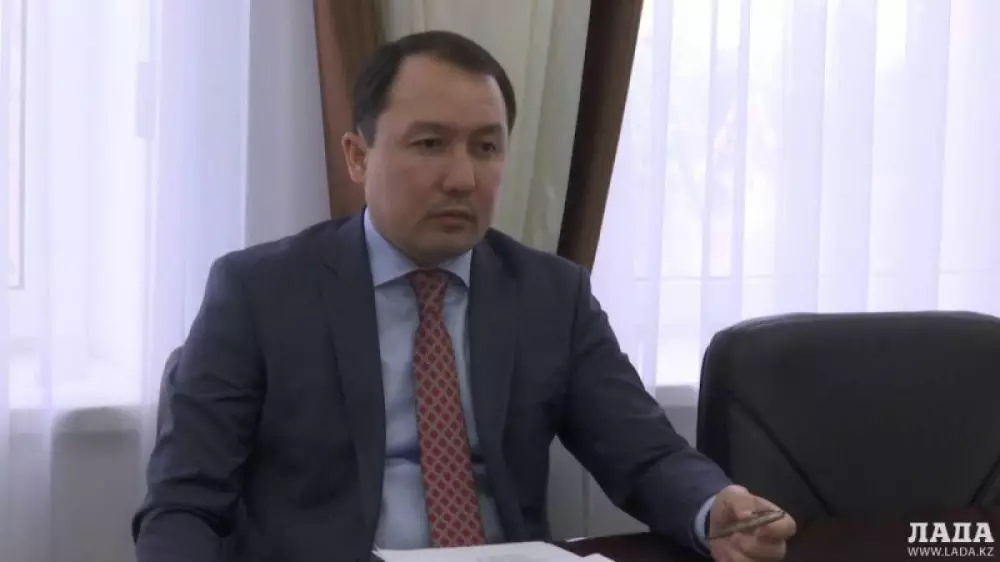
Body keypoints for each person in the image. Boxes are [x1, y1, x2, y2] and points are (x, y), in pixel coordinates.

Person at [132, 30, 796, 562]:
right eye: (430, 144)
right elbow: (184, 506)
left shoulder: (550, 295)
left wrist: (715, 508)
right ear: (358, 156)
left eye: (486, 148)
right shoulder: (258, 293)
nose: (462, 178)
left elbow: (644, 453)